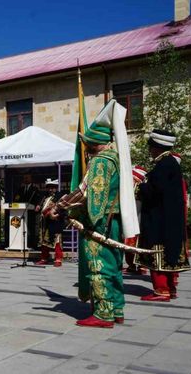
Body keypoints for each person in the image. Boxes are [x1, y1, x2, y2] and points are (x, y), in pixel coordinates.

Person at [52, 119, 125, 328]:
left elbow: (86, 193)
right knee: (114, 266)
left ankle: (104, 314)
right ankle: (117, 309)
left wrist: (60, 207)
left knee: (98, 265)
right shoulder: (116, 159)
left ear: (93, 143)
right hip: (114, 220)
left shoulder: (100, 161)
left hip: (100, 222)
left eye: (87, 142)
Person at [135, 130, 190, 302]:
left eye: (151, 147)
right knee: (169, 253)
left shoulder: (164, 165)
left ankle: (161, 290)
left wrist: (140, 187)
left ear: (158, 147)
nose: (150, 150)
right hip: (168, 220)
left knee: (157, 252)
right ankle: (169, 288)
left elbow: (154, 191)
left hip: (160, 221)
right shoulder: (170, 164)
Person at [123, 166, 147, 275]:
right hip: (136, 221)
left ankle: (139, 266)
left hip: (136, 221)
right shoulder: (136, 188)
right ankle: (133, 266)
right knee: (131, 244)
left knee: (134, 244)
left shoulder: (137, 188)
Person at [36, 179, 64, 267]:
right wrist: (38, 208)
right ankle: (44, 258)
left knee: (57, 241)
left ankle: (58, 259)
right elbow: (41, 208)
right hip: (44, 223)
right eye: (49, 188)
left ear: (56, 188)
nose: (50, 190)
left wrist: (56, 215)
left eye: (52, 188)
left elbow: (63, 209)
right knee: (44, 241)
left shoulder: (60, 196)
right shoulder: (45, 197)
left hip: (55, 222)